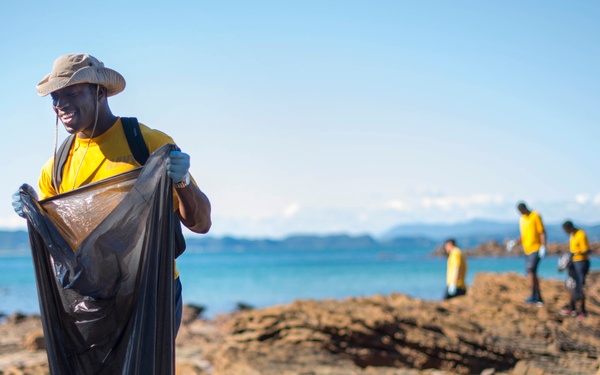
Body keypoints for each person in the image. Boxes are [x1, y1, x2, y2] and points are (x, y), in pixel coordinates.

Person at [11, 53, 212, 334]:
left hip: (151, 292)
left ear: (100, 92)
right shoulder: (55, 167)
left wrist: (183, 181)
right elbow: (56, 250)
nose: (60, 104)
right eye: (55, 97)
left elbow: (201, 224)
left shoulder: (147, 143)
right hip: (91, 301)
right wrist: (35, 217)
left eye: (72, 92)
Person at [507, 202, 546, 305]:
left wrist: (543, 246)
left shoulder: (535, 216)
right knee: (531, 273)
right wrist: (515, 242)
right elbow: (524, 235)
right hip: (527, 250)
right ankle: (537, 296)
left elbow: (542, 232)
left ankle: (535, 296)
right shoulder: (522, 219)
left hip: (536, 248)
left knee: (531, 270)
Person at [559, 220, 591, 320]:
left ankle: (582, 311)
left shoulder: (580, 234)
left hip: (581, 263)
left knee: (580, 287)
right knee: (570, 285)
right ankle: (571, 307)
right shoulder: (572, 235)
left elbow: (586, 250)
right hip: (573, 263)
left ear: (569, 228)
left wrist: (575, 253)